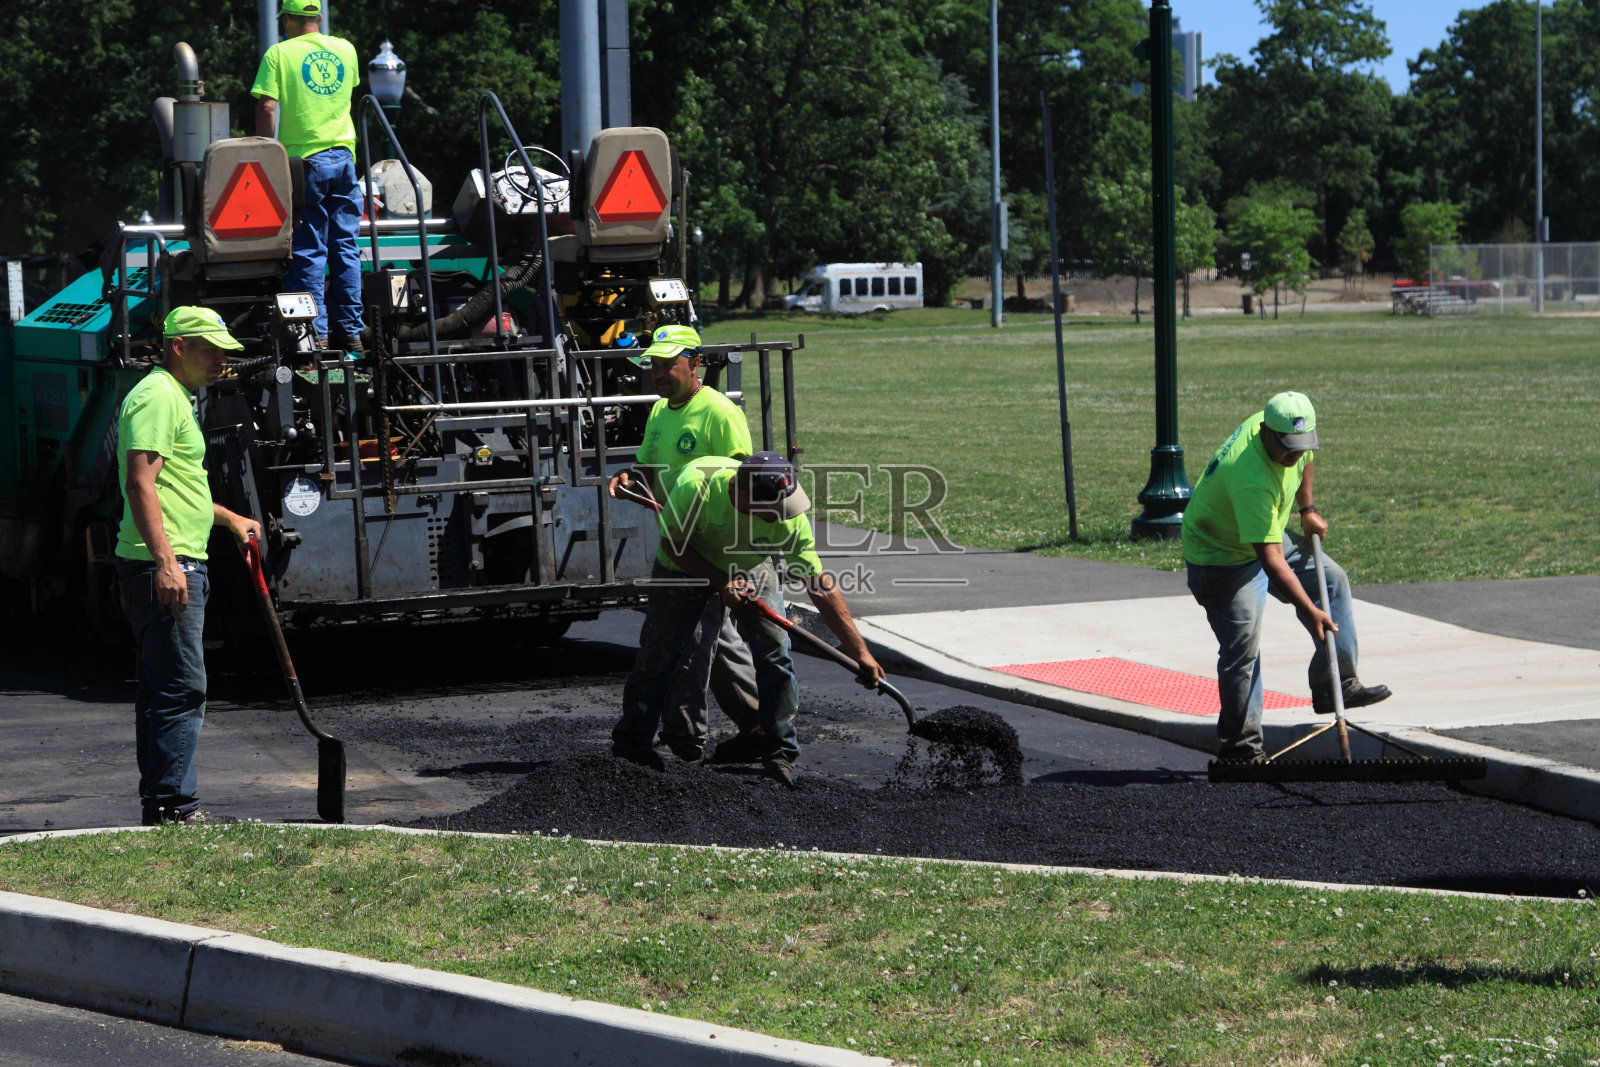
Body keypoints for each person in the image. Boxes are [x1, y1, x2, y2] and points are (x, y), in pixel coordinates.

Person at [612, 452, 884, 786]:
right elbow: (674, 546)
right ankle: (632, 748)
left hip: (750, 563)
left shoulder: (788, 514)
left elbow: (819, 584)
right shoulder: (696, 485)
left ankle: (779, 753)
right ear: (743, 496)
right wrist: (721, 582)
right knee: (660, 653)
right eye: (772, 511)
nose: (782, 517)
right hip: (686, 565)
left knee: (776, 652)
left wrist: (860, 651)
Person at [1180, 391, 1391, 762]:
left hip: (1266, 535)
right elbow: (1271, 563)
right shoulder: (1250, 477)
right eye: (1287, 447)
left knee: (1333, 580)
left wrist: (1307, 507)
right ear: (1265, 433)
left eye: (1302, 443)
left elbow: (1305, 459)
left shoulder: (1290, 434)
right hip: (1221, 557)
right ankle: (1241, 749)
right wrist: (1310, 612)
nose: (1295, 452)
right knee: (1243, 648)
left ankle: (1335, 685)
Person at [114, 307, 262, 824]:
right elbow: (140, 483)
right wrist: (167, 563)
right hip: (167, 563)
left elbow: (179, 486)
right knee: (182, 687)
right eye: (211, 348)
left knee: (162, 686)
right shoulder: (157, 397)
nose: (222, 359)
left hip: (170, 557)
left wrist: (227, 519)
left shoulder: (172, 396)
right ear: (178, 346)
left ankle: (164, 803)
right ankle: (176, 808)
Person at [607, 324, 760, 763]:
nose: (657, 373)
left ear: (694, 364)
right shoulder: (659, 412)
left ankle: (684, 743)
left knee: (687, 645)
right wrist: (630, 478)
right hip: (676, 547)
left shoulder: (719, 413)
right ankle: (757, 727)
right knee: (718, 644)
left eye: (667, 364)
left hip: (709, 548)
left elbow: (738, 485)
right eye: (653, 365)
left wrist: (727, 563)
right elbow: (649, 468)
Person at [251, 0, 363, 355]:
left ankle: (316, 332)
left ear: (288, 18)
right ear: (317, 17)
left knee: (309, 250)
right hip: (344, 158)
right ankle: (351, 331)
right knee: (345, 248)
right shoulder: (346, 49)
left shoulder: (279, 54)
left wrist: (266, 149)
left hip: (304, 162)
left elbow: (267, 106)